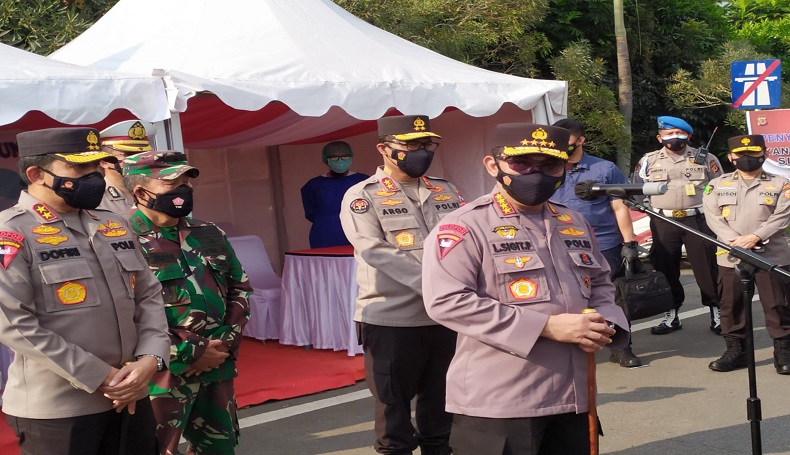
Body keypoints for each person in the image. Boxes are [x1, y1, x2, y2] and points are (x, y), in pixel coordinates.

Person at [423, 123, 628, 455]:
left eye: (549, 166)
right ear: (493, 165)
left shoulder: (573, 222)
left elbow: (601, 282)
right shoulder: (464, 226)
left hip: (572, 396)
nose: (536, 174)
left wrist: (606, 321)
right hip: (501, 402)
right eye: (522, 164)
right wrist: (545, 326)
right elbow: (447, 301)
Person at [0, 127, 170, 455]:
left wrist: (150, 358)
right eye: (79, 169)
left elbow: (148, 293)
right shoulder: (11, 232)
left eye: (96, 168)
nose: (94, 177)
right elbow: (13, 324)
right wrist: (101, 376)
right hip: (61, 409)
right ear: (37, 174)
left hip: (131, 394)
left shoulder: (113, 223)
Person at [339, 115, 463, 455]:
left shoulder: (447, 190)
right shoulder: (362, 196)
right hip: (391, 319)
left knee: (442, 408)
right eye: (411, 145)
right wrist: (438, 285)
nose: (421, 152)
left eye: (426, 145)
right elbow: (375, 251)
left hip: (444, 318)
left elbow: (467, 242)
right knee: (393, 414)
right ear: (384, 148)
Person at [122, 150, 252, 454]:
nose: (184, 191)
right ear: (141, 192)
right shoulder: (119, 239)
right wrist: (189, 351)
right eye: (172, 185)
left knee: (219, 448)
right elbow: (122, 314)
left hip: (216, 366)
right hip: (160, 374)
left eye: (187, 183)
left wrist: (224, 343)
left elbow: (240, 287)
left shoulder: (208, 232)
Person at [550, 118, 642, 367]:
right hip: (557, 246)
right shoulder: (548, 167)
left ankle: (621, 347)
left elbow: (619, 207)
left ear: (581, 140)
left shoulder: (604, 169)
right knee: (564, 297)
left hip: (602, 244)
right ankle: (567, 347)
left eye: (566, 142)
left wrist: (629, 243)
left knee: (612, 296)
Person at [702, 134, 790, 374]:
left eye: (753, 153)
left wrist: (754, 237)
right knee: (731, 305)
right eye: (741, 155)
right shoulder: (717, 184)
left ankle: (783, 352)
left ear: (765, 154)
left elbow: (782, 217)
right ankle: (736, 351)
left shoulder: (781, 183)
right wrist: (736, 242)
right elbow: (713, 217)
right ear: (731, 157)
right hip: (730, 254)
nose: (747, 158)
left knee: (777, 305)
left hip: (771, 255)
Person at [633, 116, 722, 335]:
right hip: (664, 220)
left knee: (707, 268)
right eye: (669, 134)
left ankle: (717, 313)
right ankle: (671, 315)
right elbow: (635, 187)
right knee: (665, 268)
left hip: (698, 219)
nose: (674, 138)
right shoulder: (649, 160)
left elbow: (721, 186)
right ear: (659, 137)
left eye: (679, 133)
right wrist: (648, 211)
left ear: (689, 136)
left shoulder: (705, 158)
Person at [301, 141, 369, 248]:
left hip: (359, 236)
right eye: (334, 157)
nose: (340, 160)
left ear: (351, 157)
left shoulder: (364, 181)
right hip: (324, 237)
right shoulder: (314, 185)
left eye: (344, 156)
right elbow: (310, 213)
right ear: (326, 159)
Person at [97, 119, 156, 216]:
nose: (138, 160)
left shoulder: (155, 192)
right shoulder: (96, 199)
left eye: (143, 154)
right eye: (129, 155)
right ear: (104, 162)